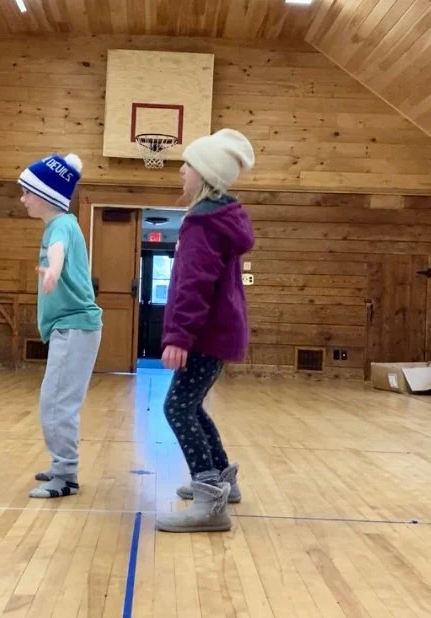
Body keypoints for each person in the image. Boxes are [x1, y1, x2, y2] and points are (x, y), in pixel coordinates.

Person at [155, 129, 256, 533]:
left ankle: (210, 500)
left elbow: (193, 285)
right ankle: (221, 481)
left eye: (188, 165)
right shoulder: (219, 218)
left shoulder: (201, 222)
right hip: (217, 333)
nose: (181, 170)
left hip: (203, 334)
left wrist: (178, 336)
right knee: (191, 405)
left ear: (206, 175)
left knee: (176, 408)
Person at [19, 153, 103, 499]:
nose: (22, 199)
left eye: (26, 192)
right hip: (69, 328)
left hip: (74, 327)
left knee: (56, 403)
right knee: (56, 400)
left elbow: (58, 250)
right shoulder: (59, 225)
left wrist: (54, 269)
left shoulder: (61, 226)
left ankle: (66, 474)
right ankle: (60, 465)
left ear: (45, 194)